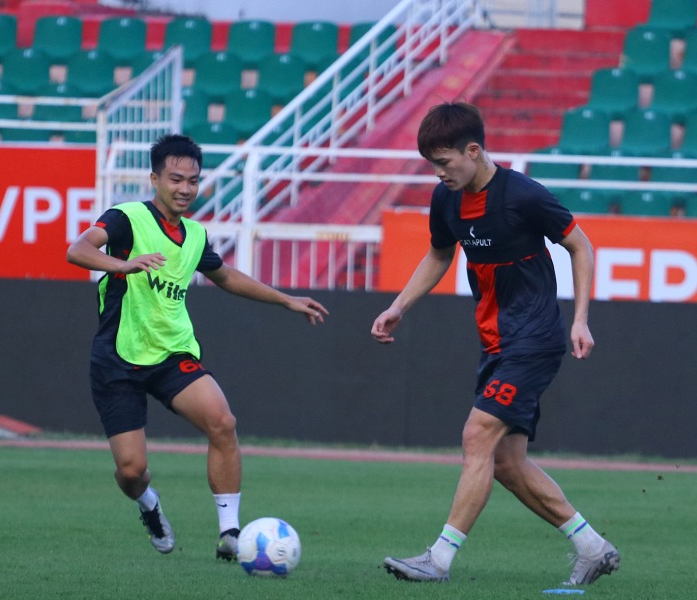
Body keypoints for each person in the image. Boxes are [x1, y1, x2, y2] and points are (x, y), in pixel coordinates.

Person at [370, 102, 619, 586]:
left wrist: (581, 319)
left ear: (474, 150)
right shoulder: (446, 199)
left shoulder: (523, 195)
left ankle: (438, 559)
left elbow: (580, 246)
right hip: (495, 342)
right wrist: (400, 305)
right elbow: (440, 254)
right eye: (432, 165)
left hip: (534, 338)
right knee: (506, 462)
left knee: (476, 436)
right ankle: (593, 548)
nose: (439, 174)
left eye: (444, 163)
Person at [66, 134, 328, 560]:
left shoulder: (194, 235)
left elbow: (226, 276)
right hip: (118, 357)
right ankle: (149, 505)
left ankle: (230, 534)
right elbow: (77, 250)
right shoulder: (126, 218)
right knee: (131, 472)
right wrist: (122, 263)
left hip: (173, 354)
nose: (185, 188)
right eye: (176, 179)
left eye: (193, 180)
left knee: (223, 422)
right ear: (154, 179)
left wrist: (286, 300)